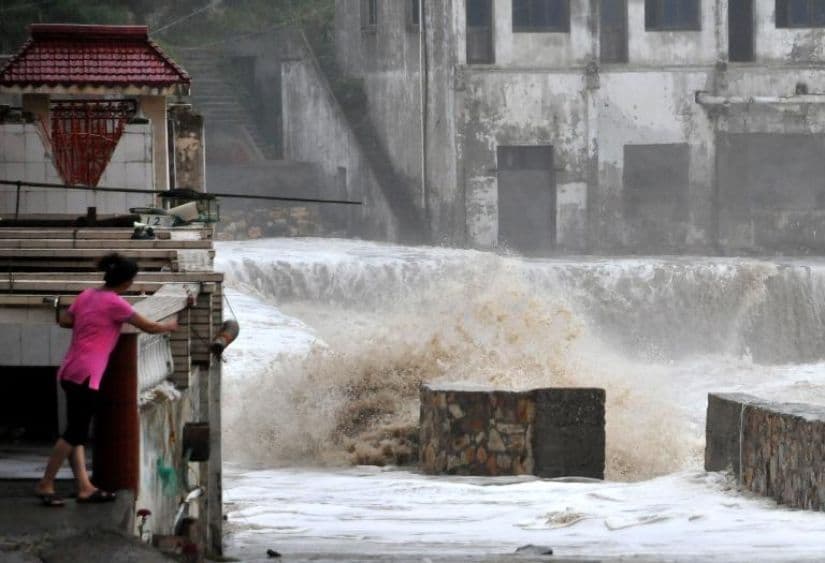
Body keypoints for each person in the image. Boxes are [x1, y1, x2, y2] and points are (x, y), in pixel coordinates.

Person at [35, 253, 178, 507]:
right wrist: (171, 324)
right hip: (88, 374)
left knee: (75, 432)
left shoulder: (87, 295)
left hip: (69, 369)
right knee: (72, 435)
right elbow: (150, 327)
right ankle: (46, 482)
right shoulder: (116, 304)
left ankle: (84, 487)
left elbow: (67, 320)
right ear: (126, 282)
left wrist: (92, 323)